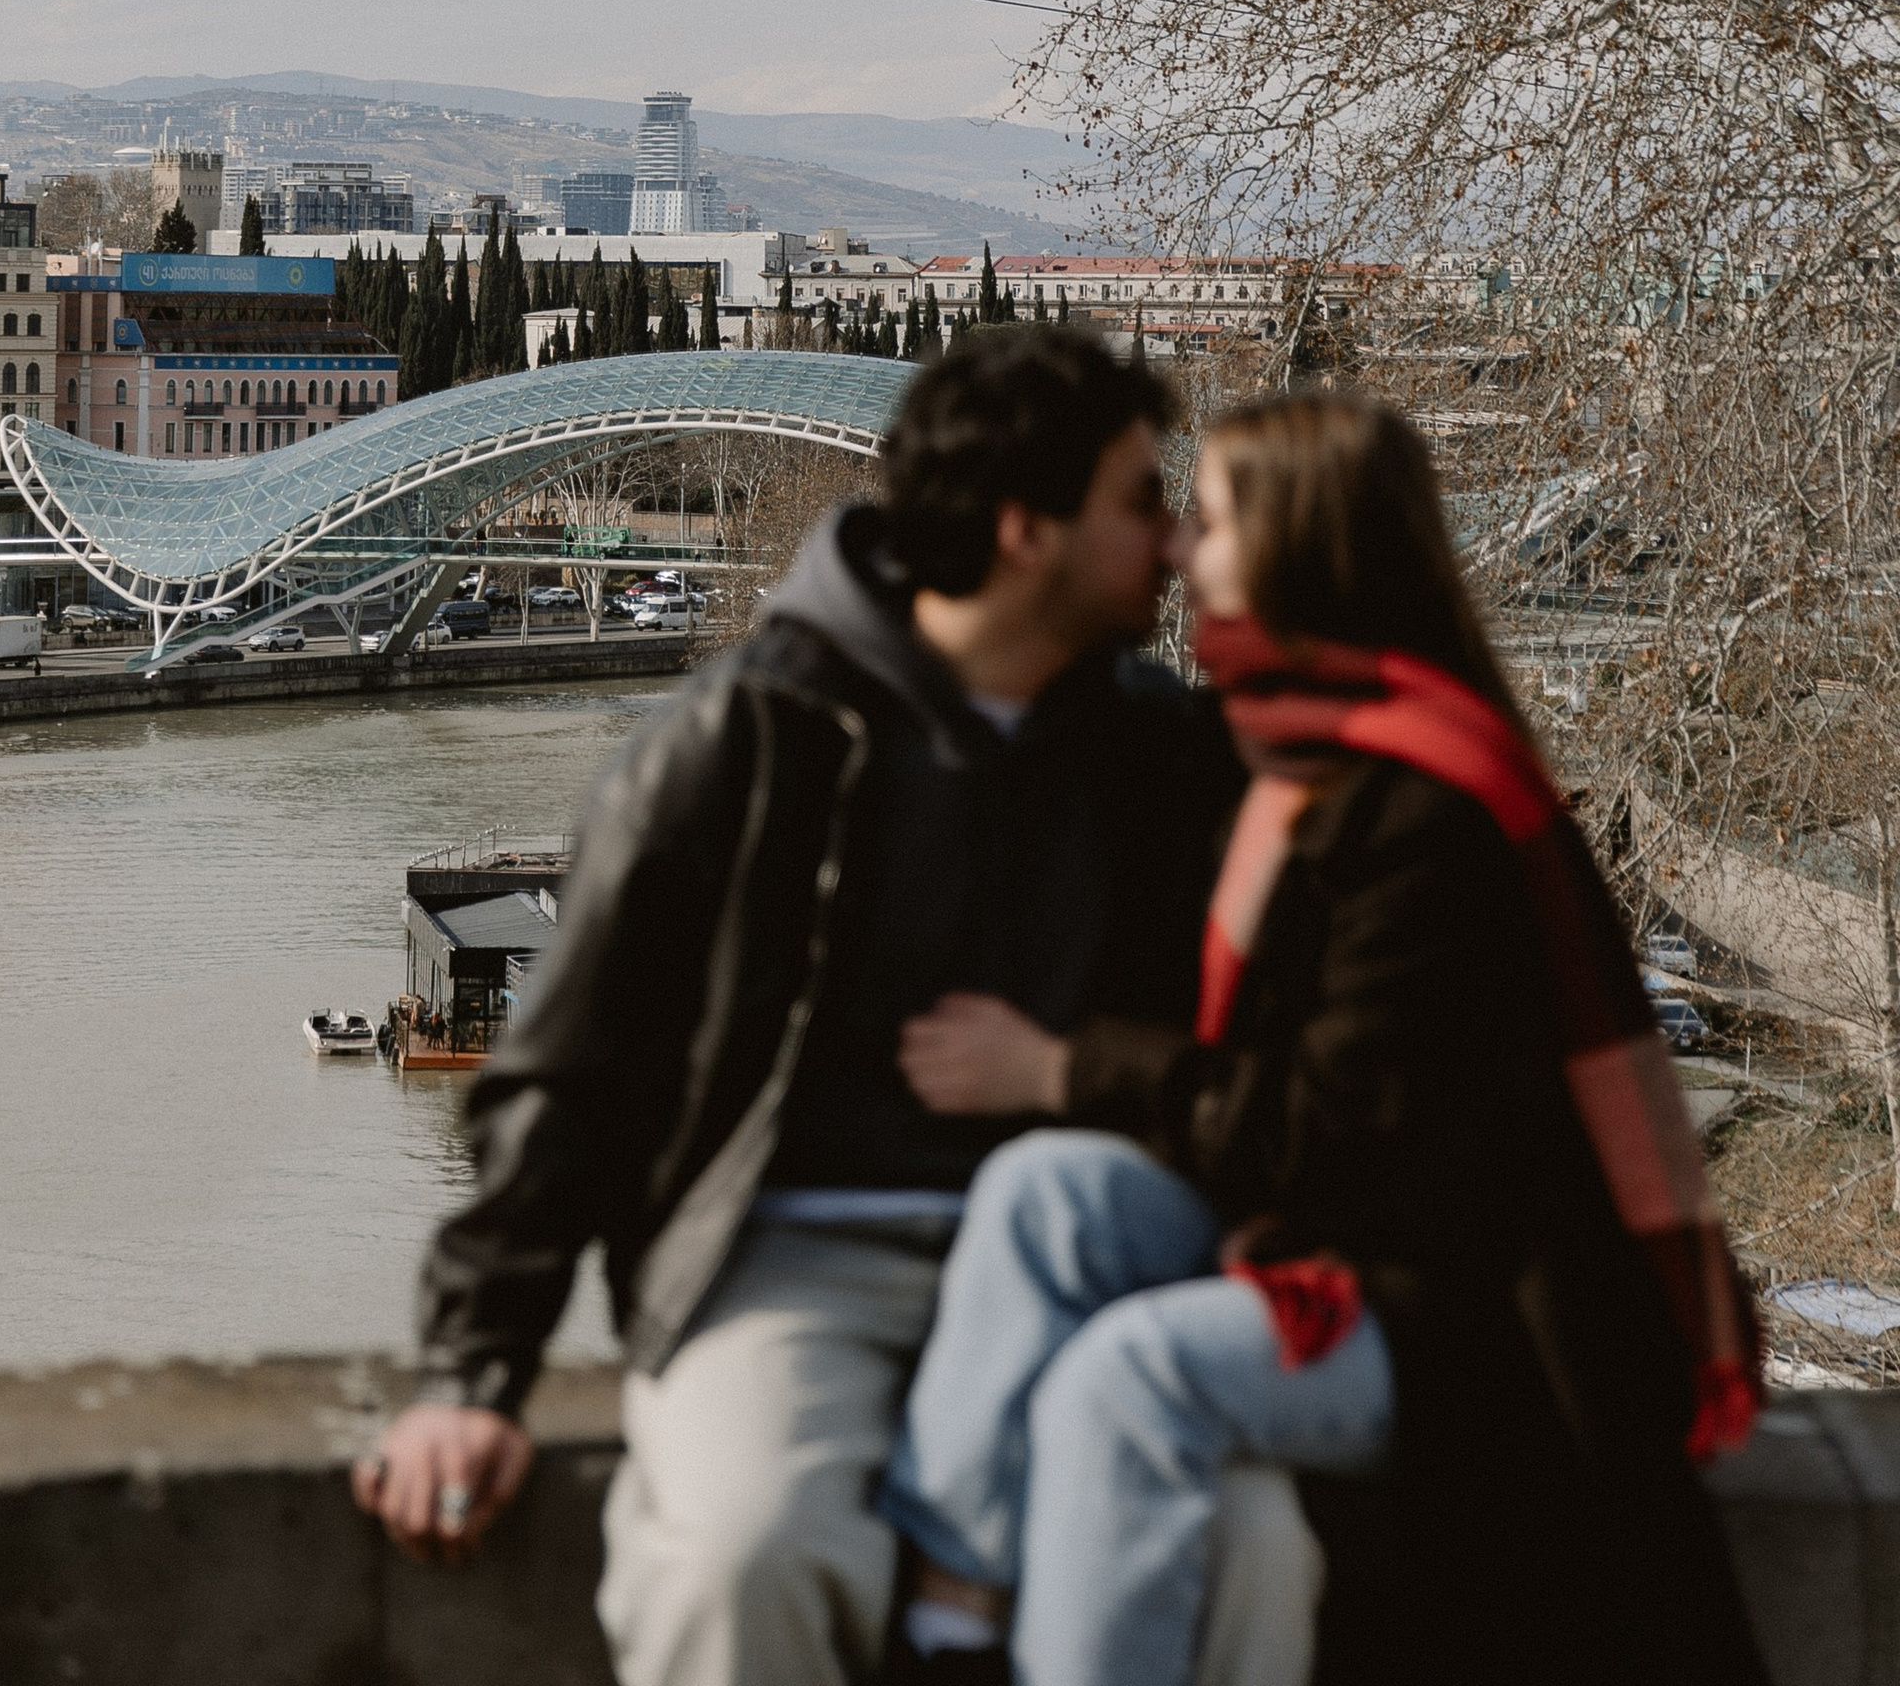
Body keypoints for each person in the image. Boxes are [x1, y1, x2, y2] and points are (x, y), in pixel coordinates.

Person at [355, 324, 1287, 1686]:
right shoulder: (741, 740)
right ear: (1027, 531)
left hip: (1089, 1266)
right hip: (792, 1261)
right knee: (744, 1561)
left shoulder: (1167, 757)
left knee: (1256, 1550)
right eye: (1144, 503)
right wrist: (469, 1379)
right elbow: (570, 1074)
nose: (1176, 547)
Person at [876, 388, 1768, 1686]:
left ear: (1306, 548)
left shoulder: (1421, 809)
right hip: (1348, 1228)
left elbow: (1331, 1134)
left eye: (1216, 519)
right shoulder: (1292, 760)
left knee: (1125, 1383)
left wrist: (1060, 1067)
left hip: (1469, 1311)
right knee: (1040, 1195)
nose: (1181, 547)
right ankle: (952, 1620)